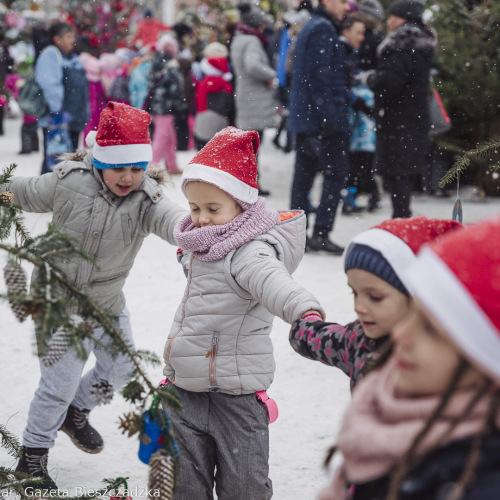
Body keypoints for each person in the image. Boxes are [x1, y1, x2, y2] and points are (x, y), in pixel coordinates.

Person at [0, 102, 186, 490]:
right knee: (58, 383)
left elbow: (172, 221)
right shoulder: (70, 180)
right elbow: (23, 192)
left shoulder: (144, 199)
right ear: (100, 161)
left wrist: (198, 231)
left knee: (120, 368)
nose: (128, 177)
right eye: (119, 167)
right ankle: (32, 457)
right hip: (57, 303)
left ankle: (77, 410)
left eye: (137, 168)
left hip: (106, 303)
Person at [162, 126, 324, 499]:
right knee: (184, 488)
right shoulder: (200, 244)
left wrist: (306, 313)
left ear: (243, 205)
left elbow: (275, 283)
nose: (200, 219)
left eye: (213, 209)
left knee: (245, 489)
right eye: (195, 208)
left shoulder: (249, 252)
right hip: (183, 393)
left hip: (235, 399)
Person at [322, 213, 500, 500]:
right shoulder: (384, 403)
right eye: (413, 316)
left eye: (430, 329)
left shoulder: (478, 481)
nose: (401, 336)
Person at [289, 216, 461, 390]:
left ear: (419, 297)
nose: (359, 307)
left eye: (375, 297)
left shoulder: (443, 360)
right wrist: (303, 328)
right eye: (354, 293)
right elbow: (323, 340)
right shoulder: (359, 340)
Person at [360, 0, 436, 218]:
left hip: (399, 119)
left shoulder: (401, 44)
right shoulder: (421, 42)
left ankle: (401, 222)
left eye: (391, 16)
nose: (387, 21)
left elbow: (390, 83)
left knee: (397, 173)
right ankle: (401, 218)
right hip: (413, 116)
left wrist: (371, 79)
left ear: (402, 18)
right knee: (401, 172)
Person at [288, 0, 350, 255]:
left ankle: (296, 234)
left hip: (307, 118)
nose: (347, 7)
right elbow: (319, 76)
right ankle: (320, 234)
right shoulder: (323, 28)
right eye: (343, 1)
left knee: (304, 176)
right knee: (335, 175)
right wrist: (329, 118)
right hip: (320, 120)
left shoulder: (312, 26)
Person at [231, 2, 277, 197]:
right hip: (254, 99)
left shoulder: (238, 39)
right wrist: (271, 75)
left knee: (248, 145)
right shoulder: (252, 41)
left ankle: (247, 183)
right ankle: (250, 185)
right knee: (253, 145)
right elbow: (252, 65)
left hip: (245, 95)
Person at [35, 22, 89, 174]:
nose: (73, 40)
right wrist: (58, 113)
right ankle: (45, 196)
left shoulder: (73, 57)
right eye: (69, 36)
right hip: (57, 120)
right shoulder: (51, 54)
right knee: (54, 165)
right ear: (57, 39)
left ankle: (64, 197)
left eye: (73, 36)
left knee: (70, 165)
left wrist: (83, 113)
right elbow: (49, 84)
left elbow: (82, 88)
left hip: (73, 120)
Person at [147, 34, 187, 174]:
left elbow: (151, 84)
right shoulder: (172, 65)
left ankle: (172, 164)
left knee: (170, 137)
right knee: (162, 136)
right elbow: (176, 89)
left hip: (156, 105)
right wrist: (180, 106)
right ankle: (152, 166)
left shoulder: (155, 62)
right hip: (167, 107)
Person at [193, 53, 234, 150]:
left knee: (202, 152)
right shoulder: (226, 85)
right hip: (220, 120)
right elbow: (229, 106)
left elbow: (199, 103)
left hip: (202, 121)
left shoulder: (203, 83)